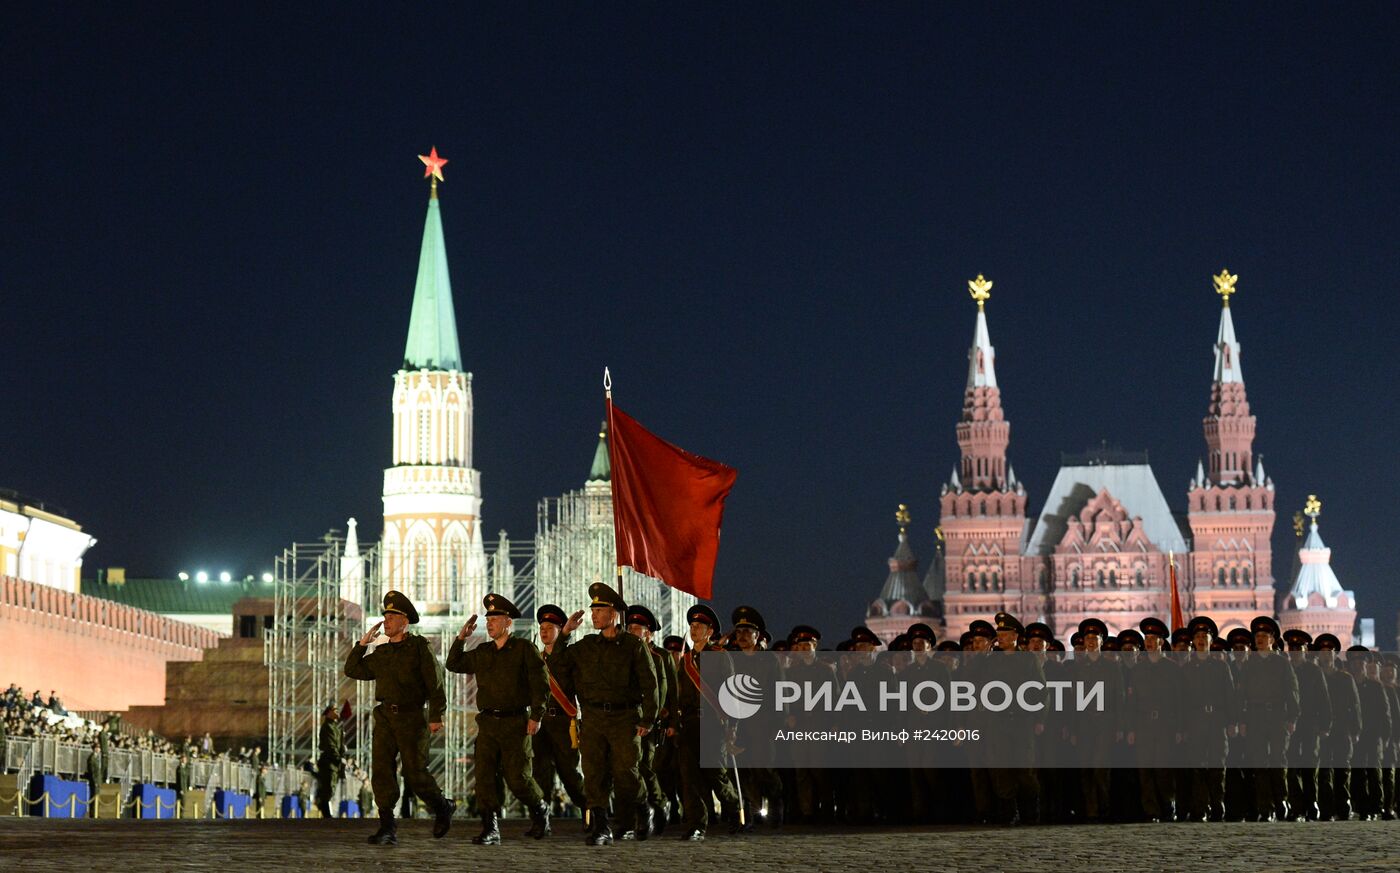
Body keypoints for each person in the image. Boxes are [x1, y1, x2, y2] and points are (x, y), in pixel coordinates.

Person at [550, 581, 659, 846]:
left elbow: (650, 683)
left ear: (614, 613)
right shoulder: (586, 646)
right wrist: (564, 633)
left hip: (625, 718)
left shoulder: (633, 646)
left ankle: (644, 806)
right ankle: (601, 827)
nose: (593, 615)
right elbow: (555, 664)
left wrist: (648, 719)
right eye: (593, 609)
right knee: (594, 774)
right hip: (594, 719)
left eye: (599, 610)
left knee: (626, 774)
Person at [344, 589, 455, 845]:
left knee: (415, 773)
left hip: (412, 718)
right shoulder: (381, 653)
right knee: (382, 771)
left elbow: (435, 684)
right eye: (385, 616)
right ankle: (387, 827)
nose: (386, 621)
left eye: (392, 617)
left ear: (404, 621)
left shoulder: (419, 647)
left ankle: (442, 807)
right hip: (385, 718)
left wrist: (436, 715)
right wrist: (362, 645)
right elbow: (352, 669)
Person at [446, 592, 552, 844]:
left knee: (518, 778)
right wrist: (461, 638)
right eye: (488, 618)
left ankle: (540, 809)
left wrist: (536, 716)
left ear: (508, 622)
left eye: (495, 618)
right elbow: (454, 663)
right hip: (488, 723)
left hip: (516, 723)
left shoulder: (524, 649)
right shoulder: (483, 651)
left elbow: (541, 685)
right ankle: (490, 828)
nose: (489, 623)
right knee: (484, 777)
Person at [531, 604, 587, 827]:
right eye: (541, 627)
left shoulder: (570, 656)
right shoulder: (537, 657)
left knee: (569, 774)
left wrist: (565, 636)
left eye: (549, 627)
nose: (544, 632)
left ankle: (591, 811)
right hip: (541, 722)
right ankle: (541, 821)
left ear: (561, 629)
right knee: (540, 774)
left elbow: (559, 666)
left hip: (564, 722)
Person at [626, 603, 679, 835]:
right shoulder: (624, 653)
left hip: (651, 720)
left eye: (636, 627)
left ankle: (658, 804)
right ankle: (635, 814)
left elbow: (670, 690)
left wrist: (670, 722)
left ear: (648, 632)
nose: (631, 631)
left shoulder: (661, 656)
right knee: (628, 767)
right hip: (627, 718)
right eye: (629, 626)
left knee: (646, 767)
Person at [316, 703, 346, 819]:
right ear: (329, 713)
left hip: (333, 762)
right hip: (329, 762)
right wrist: (339, 759)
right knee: (328, 789)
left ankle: (326, 811)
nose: (338, 712)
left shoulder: (335, 727)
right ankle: (326, 813)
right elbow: (330, 746)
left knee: (331, 788)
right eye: (335, 710)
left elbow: (338, 745)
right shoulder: (328, 727)